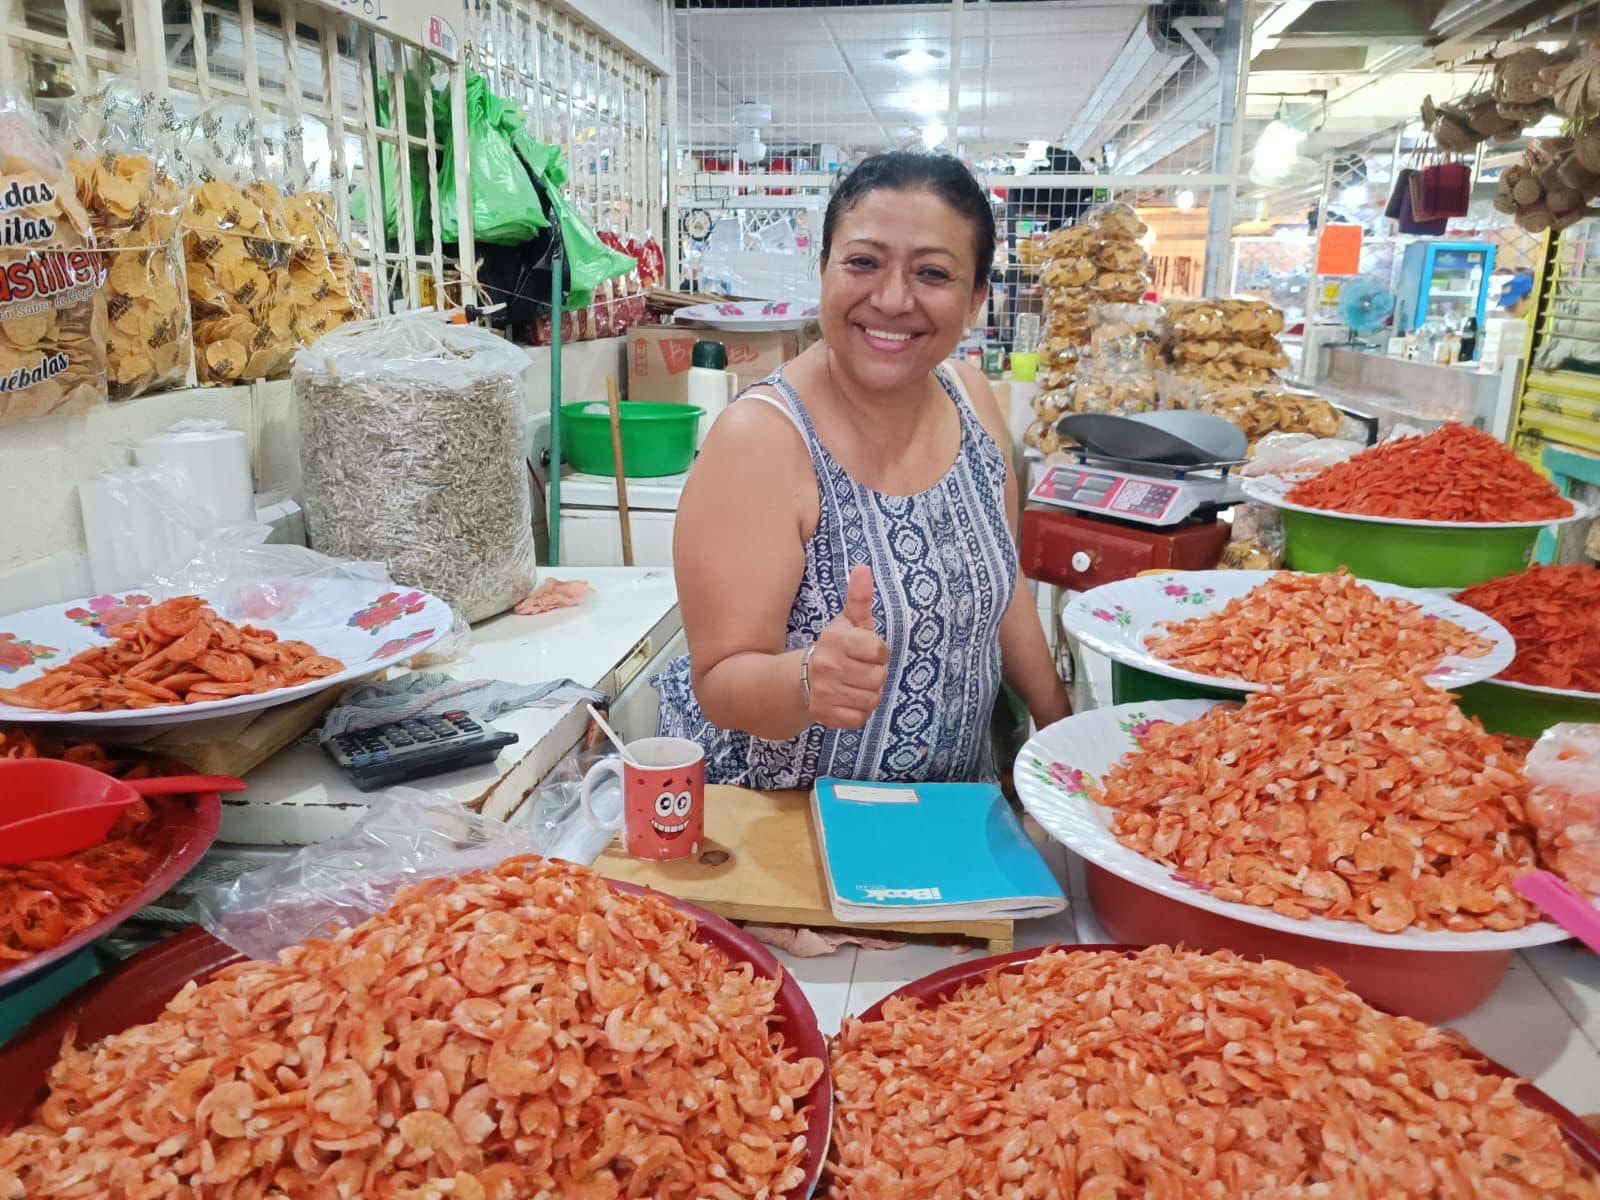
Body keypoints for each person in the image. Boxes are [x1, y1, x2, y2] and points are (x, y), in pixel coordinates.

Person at [654, 151, 1070, 790]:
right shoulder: (762, 440)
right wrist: (808, 680)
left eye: (932, 273)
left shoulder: (972, 399)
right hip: (794, 836)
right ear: (823, 270)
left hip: (952, 822)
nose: (893, 298)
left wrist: (1062, 734)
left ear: (977, 298)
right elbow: (720, 680)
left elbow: (1003, 584)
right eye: (863, 263)